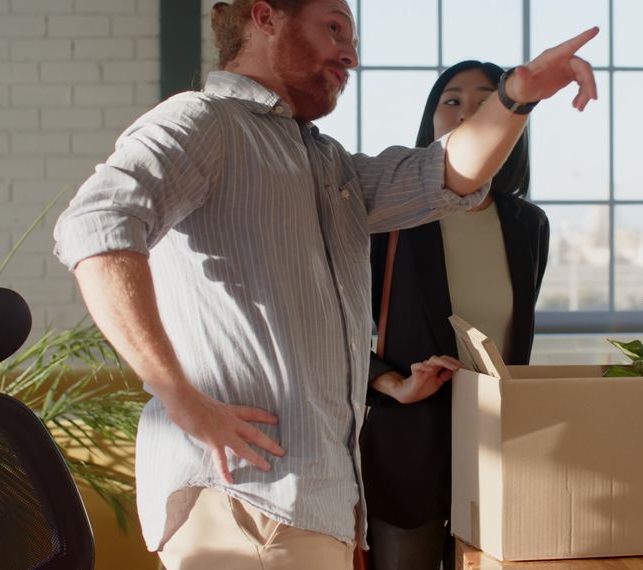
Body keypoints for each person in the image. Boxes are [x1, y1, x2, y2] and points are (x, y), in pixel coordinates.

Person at [52, 0, 598, 566]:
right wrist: (180, 398)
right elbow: (95, 226)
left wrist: (518, 94)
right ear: (265, 18)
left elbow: (445, 172)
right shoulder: (204, 121)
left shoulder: (326, 163)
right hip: (245, 500)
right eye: (334, 28)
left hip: (315, 506)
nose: (351, 55)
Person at [360, 60, 549, 570]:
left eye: (487, 100)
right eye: (452, 100)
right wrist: (390, 383)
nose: (467, 112)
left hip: (496, 446)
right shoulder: (393, 217)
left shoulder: (526, 224)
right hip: (409, 442)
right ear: (432, 121)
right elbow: (341, 320)